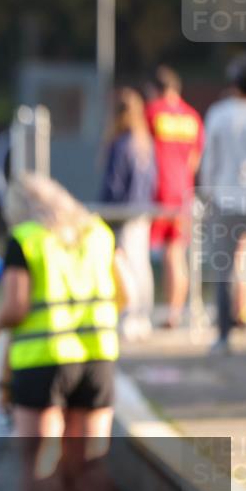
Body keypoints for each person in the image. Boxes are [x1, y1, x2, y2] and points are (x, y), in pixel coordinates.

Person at [0, 174, 131, 491]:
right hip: (97, 356)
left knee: (38, 463)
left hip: (44, 360)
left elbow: (16, 306)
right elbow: (128, 292)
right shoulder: (99, 233)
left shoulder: (26, 240)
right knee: (90, 462)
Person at [199, 54, 246, 354]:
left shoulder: (219, 114)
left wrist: (207, 193)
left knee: (225, 270)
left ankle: (223, 336)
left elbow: (210, 160)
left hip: (227, 199)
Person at [145, 66, 204, 327]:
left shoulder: (152, 112)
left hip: (158, 192)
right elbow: (195, 160)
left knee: (138, 251)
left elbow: (142, 151)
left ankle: (146, 314)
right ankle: (175, 312)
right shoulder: (192, 116)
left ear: (154, 90)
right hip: (183, 191)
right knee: (176, 253)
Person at [100, 87, 157, 340]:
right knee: (141, 265)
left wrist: (103, 212)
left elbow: (113, 184)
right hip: (142, 213)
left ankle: (128, 316)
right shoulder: (145, 144)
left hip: (123, 214)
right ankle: (143, 316)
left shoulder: (121, 145)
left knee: (125, 267)